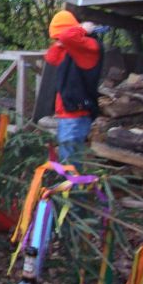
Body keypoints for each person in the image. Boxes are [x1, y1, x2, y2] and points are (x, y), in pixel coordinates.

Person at [44, 10, 102, 167]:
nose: (59, 40)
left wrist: (82, 29)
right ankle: (69, 183)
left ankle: (71, 184)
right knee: (68, 159)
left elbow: (67, 37)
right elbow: (51, 58)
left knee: (69, 163)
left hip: (77, 113)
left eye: (59, 37)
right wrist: (59, 43)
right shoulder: (70, 48)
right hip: (67, 112)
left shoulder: (89, 46)